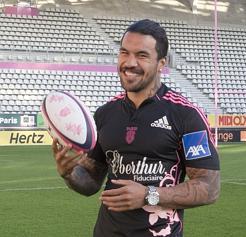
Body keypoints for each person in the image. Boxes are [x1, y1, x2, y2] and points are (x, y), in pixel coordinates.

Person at [52, 19, 220, 237]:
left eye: (141, 55)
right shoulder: (105, 113)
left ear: (161, 63)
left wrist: (149, 195)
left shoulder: (186, 116)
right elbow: (91, 180)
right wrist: (70, 173)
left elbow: (209, 188)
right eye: (124, 53)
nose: (129, 62)